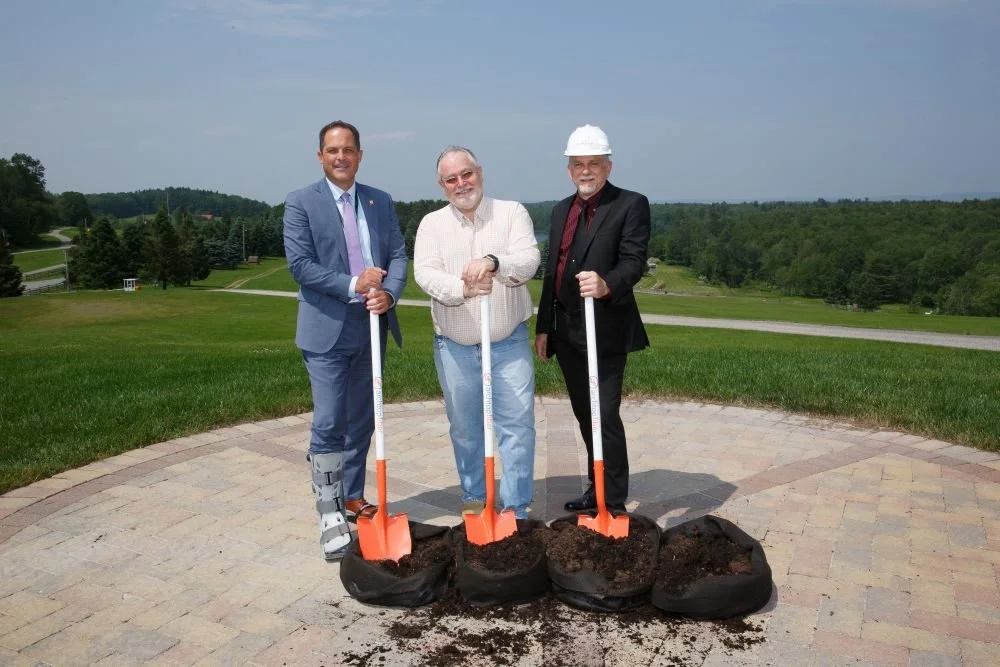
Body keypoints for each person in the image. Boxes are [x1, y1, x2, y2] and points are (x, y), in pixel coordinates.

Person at [283, 120, 408, 560]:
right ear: (320, 156)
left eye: (349, 149)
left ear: (359, 154)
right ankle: (330, 513)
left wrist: (389, 292)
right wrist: (355, 283)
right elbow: (300, 265)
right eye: (332, 150)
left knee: (362, 419)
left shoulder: (380, 200)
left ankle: (352, 496)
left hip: (371, 326)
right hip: (326, 329)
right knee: (330, 420)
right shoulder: (301, 203)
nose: (341, 157)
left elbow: (396, 254)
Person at [414, 146, 540, 519]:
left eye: (466, 174)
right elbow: (426, 273)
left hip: (508, 340)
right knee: (466, 428)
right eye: (451, 179)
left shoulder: (511, 212)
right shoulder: (431, 224)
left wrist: (493, 263)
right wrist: (464, 289)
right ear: (442, 185)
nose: (461, 183)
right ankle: (474, 495)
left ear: (479, 172)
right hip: (454, 346)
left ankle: (516, 508)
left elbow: (529, 259)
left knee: (517, 425)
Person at [534, 125, 651, 513]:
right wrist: (544, 327)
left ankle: (612, 501)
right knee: (585, 415)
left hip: (606, 329)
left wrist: (607, 284)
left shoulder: (630, 204)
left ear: (608, 166)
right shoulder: (559, 211)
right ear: (569, 170)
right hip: (566, 330)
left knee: (604, 414)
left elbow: (634, 261)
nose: (586, 171)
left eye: (594, 164)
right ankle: (594, 487)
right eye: (579, 164)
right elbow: (554, 270)